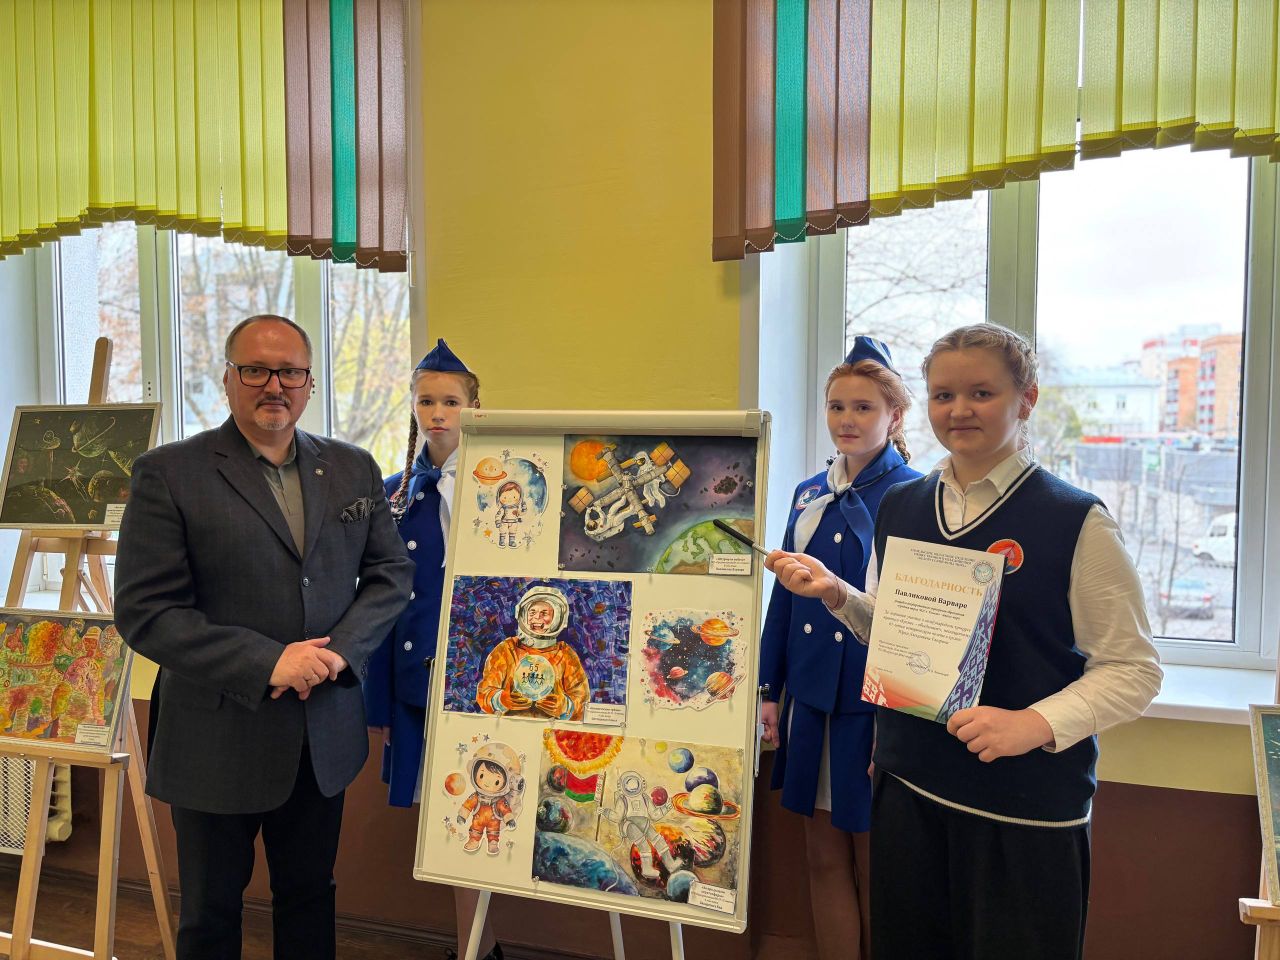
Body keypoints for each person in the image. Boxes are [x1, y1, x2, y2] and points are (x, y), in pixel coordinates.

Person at [767, 324, 1163, 960]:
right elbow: (895, 630)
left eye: (981, 393)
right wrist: (838, 595)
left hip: (1020, 812)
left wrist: (1032, 724)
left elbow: (1134, 671)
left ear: (1026, 399)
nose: (958, 410)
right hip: (909, 792)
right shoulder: (902, 506)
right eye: (943, 395)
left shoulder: (1075, 520)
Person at [114, 314, 414, 960]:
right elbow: (146, 611)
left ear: (309, 383)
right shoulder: (169, 474)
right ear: (227, 378)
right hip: (214, 739)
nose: (274, 385)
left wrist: (338, 653)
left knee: (309, 899)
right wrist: (268, 661)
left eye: (290, 372)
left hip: (321, 736)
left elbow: (391, 575)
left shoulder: (354, 468)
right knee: (211, 913)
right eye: (255, 370)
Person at [758, 335, 920, 960]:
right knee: (821, 857)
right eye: (836, 406)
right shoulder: (808, 493)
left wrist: (896, 718)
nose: (847, 420)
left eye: (863, 407)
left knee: (879, 863)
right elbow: (785, 600)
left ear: (894, 416)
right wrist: (771, 690)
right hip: (811, 698)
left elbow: (911, 624)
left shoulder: (914, 495)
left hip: (871, 707)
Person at [362, 339, 503, 960]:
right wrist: (380, 702)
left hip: (489, 682)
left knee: (492, 810)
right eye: (426, 401)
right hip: (418, 684)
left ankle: (479, 949)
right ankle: (477, 948)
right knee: (449, 819)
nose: (438, 413)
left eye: (451, 401)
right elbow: (377, 601)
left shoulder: (507, 488)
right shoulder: (394, 493)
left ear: (475, 407)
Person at [476, 584, 589, 721]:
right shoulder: (507, 650)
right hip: (509, 725)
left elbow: (581, 697)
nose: (537, 618)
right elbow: (485, 691)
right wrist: (500, 700)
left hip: (550, 728)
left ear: (557, 618)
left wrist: (565, 706)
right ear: (522, 614)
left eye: (544, 613)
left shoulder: (564, 655)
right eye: (532, 612)